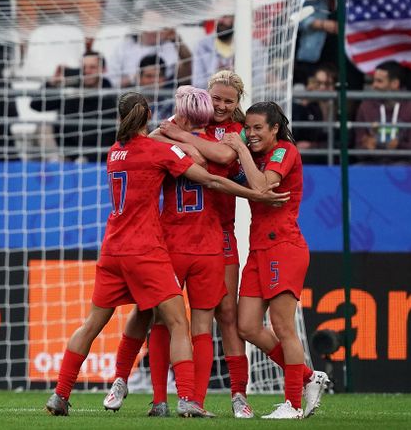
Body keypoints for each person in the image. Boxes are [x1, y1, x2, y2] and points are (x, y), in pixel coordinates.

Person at [44, 91, 288, 417]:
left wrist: (179, 137)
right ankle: (187, 398)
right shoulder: (158, 151)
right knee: (177, 322)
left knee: (94, 323)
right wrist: (253, 193)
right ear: (147, 117)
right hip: (147, 250)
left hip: (112, 249)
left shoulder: (114, 152)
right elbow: (209, 178)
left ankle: (61, 394)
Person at [154, 70, 254, 418]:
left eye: (229, 100)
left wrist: (179, 137)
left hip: (221, 231)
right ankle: (185, 396)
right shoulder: (193, 117)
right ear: (206, 96)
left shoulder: (236, 132)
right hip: (181, 234)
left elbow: (223, 157)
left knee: (228, 315)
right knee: (165, 316)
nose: (222, 106)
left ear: (238, 103)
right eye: (217, 99)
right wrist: (182, 134)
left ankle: (239, 394)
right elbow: (153, 138)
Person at [220, 101, 330, 419]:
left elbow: (261, 185)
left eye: (258, 128)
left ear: (274, 129)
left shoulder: (284, 152)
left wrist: (239, 150)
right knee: (248, 326)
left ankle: (293, 404)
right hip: (258, 249)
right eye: (248, 128)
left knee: (283, 326)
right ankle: (309, 377)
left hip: (283, 246)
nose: (251, 134)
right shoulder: (255, 155)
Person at [354, 61, 411, 165]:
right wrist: (367, 147)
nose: (373, 86)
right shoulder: (366, 106)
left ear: (395, 84)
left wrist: (398, 146)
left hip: (404, 163)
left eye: (379, 81)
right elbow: (358, 148)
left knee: (401, 167)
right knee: (357, 170)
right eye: (373, 81)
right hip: (373, 162)